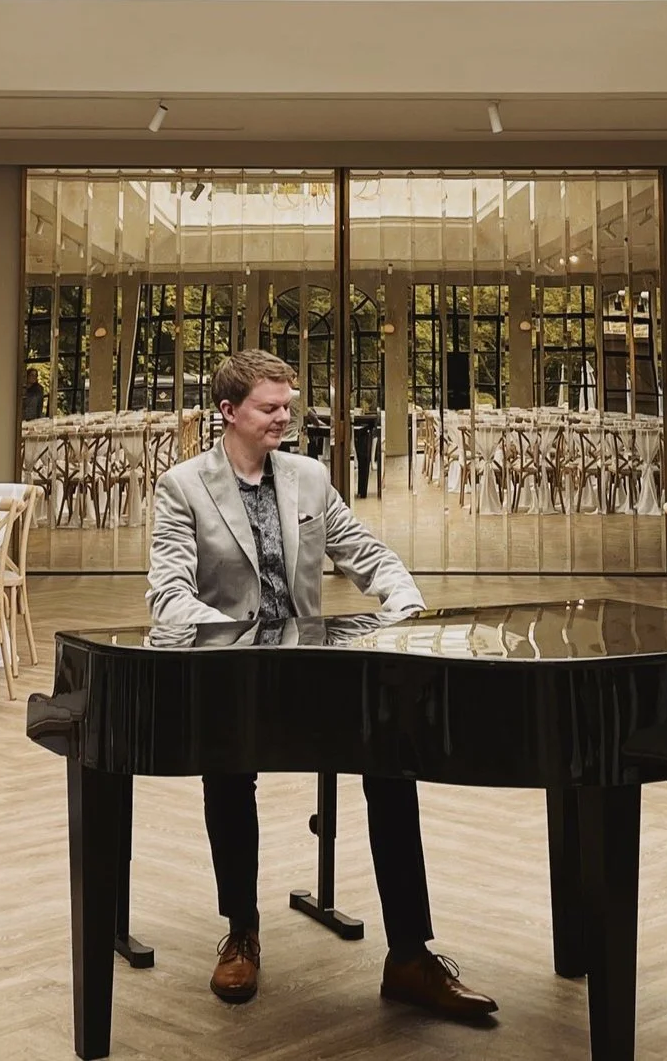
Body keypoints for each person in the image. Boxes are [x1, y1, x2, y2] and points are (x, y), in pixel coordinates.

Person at [146, 349, 497, 1020]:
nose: (286, 418)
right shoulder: (183, 486)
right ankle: (241, 933)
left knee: (394, 763)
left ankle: (410, 957)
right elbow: (168, 596)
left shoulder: (308, 478)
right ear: (228, 411)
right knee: (226, 771)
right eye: (270, 408)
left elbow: (367, 555)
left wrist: (403, 602)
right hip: (234, 672)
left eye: (288, 406)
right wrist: (231, 639)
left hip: (312, 669)